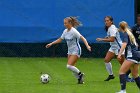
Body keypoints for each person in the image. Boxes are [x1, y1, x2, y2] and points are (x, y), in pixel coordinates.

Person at [46, 16, 91, 84]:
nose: (64, 24)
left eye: (66, 23)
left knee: (69, 66)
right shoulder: (65, 31)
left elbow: (83, 38)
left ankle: (80, 74)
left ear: (70, 23)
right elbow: (60, 39)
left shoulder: (74, 31)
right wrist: (51, 43)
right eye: (64, 23)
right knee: (72, 67)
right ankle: (80, 80)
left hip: (76, 50)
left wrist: (87, 46)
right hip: (70, 51)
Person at [96, 16, 125, 81]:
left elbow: (112, 39)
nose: (106, 22)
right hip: (113, 47)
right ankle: (111, 75)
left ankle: (128, 76)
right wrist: (107, 37)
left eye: (107, 20)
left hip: (118, 47)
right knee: (106, 60)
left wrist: (101, 39)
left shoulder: (112, 28)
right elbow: (112, 36)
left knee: (123, 63)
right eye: (105, 21)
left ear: (111, 21)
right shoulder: (110, 28)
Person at [116, 21, 140, 93]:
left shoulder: (125, 34)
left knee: (121, 72)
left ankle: (123, 90)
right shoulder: (130, 33)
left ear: (121, 27)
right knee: (135, 75)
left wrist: (119, 54)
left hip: (132, 56)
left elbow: (124, 44)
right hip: (137, 55)